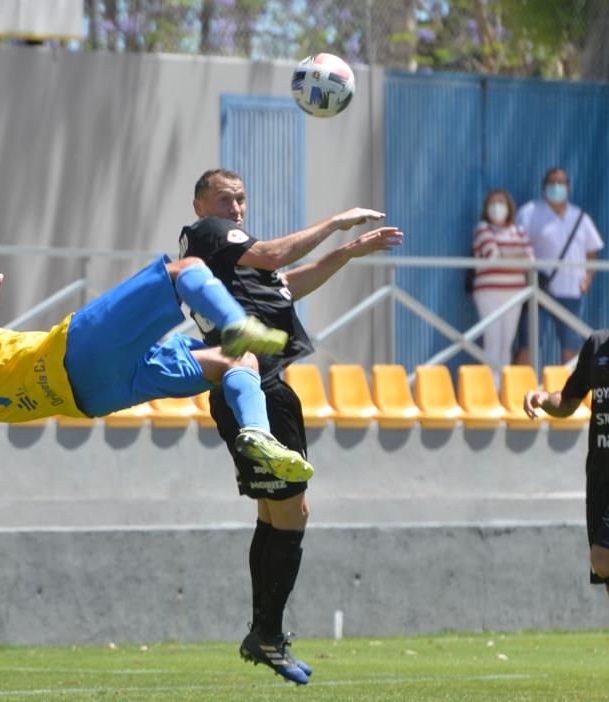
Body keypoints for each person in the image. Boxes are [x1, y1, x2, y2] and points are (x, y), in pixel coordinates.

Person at [0, 256, 316, 571]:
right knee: (186, 270)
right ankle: (236, 324)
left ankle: (256, 432)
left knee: (238, 362)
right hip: (76, 353)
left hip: (95, 398)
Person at [182, 168, 402, 685]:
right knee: (294, 511)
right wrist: (337, 223)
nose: (235, 208)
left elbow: (286, 282)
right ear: (199, 206)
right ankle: (266, 633)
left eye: (241, 199)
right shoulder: (209, 236)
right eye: (223, 199)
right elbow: (277, 256)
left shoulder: (232, 262)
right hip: (256, 389)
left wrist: (347, 253)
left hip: (255, 388)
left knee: (274, 511)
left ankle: (265, 632)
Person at [524, 257, 609, 701]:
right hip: (602, 479)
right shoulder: (597, 345)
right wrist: (545, 398)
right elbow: (570, 398)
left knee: (605, 558)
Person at [514, 167, 604, 365]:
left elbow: (592, 250)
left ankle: (568, 393)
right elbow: (517, 245)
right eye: (552, 183)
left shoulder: (580, 216)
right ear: (544, 187)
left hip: (572, 291)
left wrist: (588, 278)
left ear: (568, 187)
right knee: (528, 344)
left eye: (561, 183)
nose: (556, 187)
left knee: (571, 346)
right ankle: (518, 392)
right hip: (538, 290)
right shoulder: (530, 212)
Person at [470, 189, 534, 369]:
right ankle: (490, 386)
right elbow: (493, 255)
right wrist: (515, 257)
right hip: (488, 292)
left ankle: (502, 387)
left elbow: (530, 260)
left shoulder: (519, 231)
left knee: (507, 342)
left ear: (509, 208)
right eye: (492, 203)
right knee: (492, 341)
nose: (497, 207)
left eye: (501, 203)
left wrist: (506, 256)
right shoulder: (483, 229)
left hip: (514, 293)